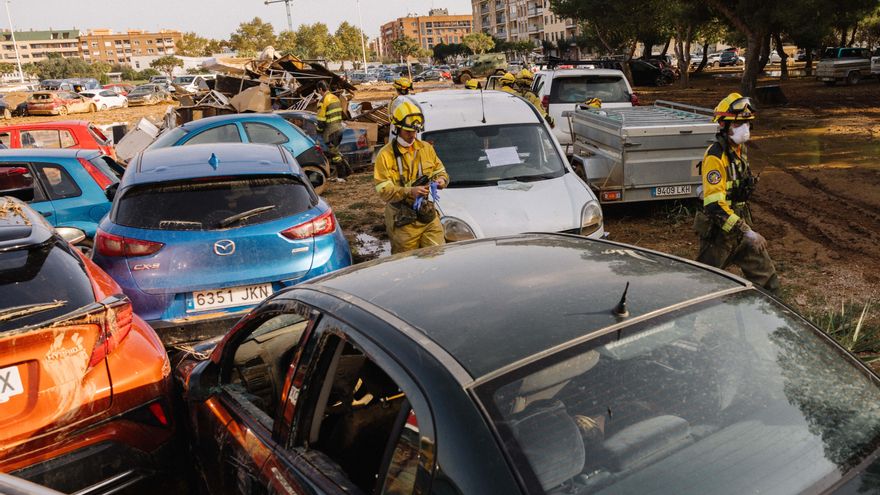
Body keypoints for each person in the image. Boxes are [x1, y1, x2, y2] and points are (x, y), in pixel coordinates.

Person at [693, 92, 779, 292]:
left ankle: (762, 319)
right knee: (703, 285)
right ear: (723, 126)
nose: (745, 129)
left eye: (748, 124)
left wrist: (745, 231)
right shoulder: (715, 156)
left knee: (768, 282)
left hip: (740, 226)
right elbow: (715, 206)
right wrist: (747, 232)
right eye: (738, 124)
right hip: (719, 234)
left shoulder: (740, 151)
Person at [374, 101, 449, 254]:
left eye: (415, 132)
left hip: (426, 214)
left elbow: (440, 171)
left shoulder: (425, 148)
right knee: (407, 265)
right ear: (397, 129)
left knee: (437, 256)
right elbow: (383, 190)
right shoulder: (385, 155)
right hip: (402, 219)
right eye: (408, 132)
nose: (413, 135)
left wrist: (441, 180)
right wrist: (409, 191)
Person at [316, 80, 353, 181]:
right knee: (336, 152)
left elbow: (321, 121)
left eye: (318, 90)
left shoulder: (323, 101)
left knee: (334, 154)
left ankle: (342, 176)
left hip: (330, 131)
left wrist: (318, 131)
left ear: (320, 89)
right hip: (339, 128)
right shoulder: (335, 98)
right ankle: (347, 172)